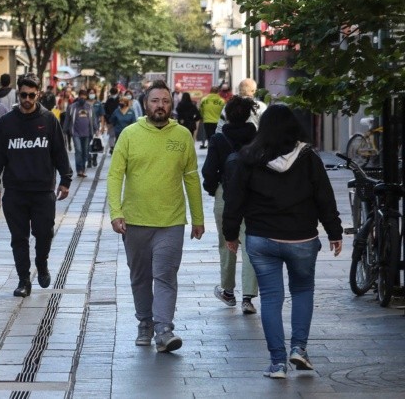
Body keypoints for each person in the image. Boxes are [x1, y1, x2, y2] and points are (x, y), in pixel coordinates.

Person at [223, 104, 342, 379]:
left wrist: (231, 233)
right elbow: (324, 196)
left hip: (262, 238)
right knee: (302, 292)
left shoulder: (249, 157)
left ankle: (277, 363)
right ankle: (298, 349)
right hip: (302, 237)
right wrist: (334, 231)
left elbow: (235, 199)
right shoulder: (308, 157)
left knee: (271, 298)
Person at [107, 80, 205, 353]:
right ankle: (145, 322)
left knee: (165, 275)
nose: (160, 105)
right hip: (135, 221)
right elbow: (115, 175)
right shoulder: (129, 134)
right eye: (155, 101)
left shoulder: (182, 135)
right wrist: (116, 212)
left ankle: (164, 329)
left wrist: (198, 218)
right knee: (140, 277)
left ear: (171, 105)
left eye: (165, 101)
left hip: (171, 221)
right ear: (145, 103)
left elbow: (191, 178)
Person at [0, 73, 73, 297]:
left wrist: (65, 179)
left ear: (38, 94)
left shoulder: (48, 120)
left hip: (43, 191)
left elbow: (59, 152)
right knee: (19, 238)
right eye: (23, 95)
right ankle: (24, 280)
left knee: (44, 233)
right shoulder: (7, 122)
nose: (27, 99)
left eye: (31, 95)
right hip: (15, 191)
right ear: (18, 93)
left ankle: (42, 263)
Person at [201, 97, 259, 314]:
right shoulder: (256, 137)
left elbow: (208, 171)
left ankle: (227, 291)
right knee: (250, 245)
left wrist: (212, 188)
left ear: (226, 114)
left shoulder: (218, 139)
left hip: (225, 194)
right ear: (248, 114)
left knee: (227, 242)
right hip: (252, 196)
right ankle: (248, 297)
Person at [64, 89, 96, 178]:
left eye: (84, 96)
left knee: (85, 152)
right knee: (78, 150)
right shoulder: (72, 107)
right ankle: (79, 170)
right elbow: (67, 120)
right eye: (81, 96)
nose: (82, 98)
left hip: (87, 133)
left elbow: (93, 119)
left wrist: (96, 129)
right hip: (76, 133)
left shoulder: (89, 107)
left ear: (86, 97)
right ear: (78, 96)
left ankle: (82, 168)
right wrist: (64, 131)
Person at [103, 87, 120, 154]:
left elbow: (105, 111)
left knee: (111, 135)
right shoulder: (119, 100)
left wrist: (107, 120)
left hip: (111, 120)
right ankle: (113, 147)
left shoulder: (108, 101)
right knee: (116, 135)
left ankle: (112, 147)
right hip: (117, 120)